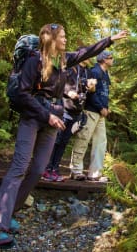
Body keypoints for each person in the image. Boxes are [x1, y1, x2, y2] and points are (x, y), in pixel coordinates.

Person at [0, 24, 128, 250]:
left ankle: (10, 213)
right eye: (62, 37)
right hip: (33, 117)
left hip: (52, 119)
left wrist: (110, 39)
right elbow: (22, 93)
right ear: (51, 39)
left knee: (39, 169)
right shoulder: (34, 61)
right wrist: (46, 115)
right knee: (19, 167)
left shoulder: (62, 61)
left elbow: (86, 52)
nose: (66, 40)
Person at [42, 53, 97, 182]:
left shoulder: (88, 72)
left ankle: (54, 169)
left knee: (63, 142)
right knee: (56, 140)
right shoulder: (71, 69)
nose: (88, 57)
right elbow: (59, 84)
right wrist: (69, 92)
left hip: (76, 111)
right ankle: (46, 168)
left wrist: (92, 87)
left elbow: (90, 91)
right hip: (65, 109)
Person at [69, 50, 115, 182]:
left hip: (101, 114)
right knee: (83, 139)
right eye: (111, 58)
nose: (112, 60)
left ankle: (95, 173)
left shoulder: (105, 73)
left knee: (101, 142)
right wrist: (101, 108)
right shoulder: (94, 71)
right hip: (91, 111)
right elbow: (91, 93)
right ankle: (76, 170)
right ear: (104, 60)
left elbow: (103, 92)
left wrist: (106, 107)